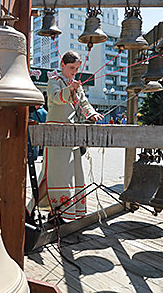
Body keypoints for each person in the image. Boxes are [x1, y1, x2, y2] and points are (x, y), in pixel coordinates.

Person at [32, 51, 103, 222]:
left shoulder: (75, 84)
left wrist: (91, 114)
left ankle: (57, 213)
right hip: (56, 134)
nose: (74, 72)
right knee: (55, 175)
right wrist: (69, 89)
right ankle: (38, 210)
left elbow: (84, 102)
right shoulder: (53, 81)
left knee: (69, 175)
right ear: (62, 64)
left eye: (77, 69)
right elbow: (56, 98)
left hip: (71, 136)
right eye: (71, 68)